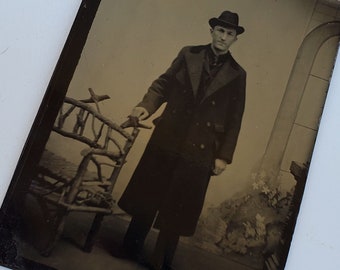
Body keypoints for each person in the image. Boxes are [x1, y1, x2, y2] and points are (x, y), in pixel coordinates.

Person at [116, 10, 246, 270]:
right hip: (169, 136)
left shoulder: (237, 73)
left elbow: (235, 118)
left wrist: (223, 156)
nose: (223, 37)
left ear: (234, 39)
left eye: (229, 33)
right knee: (149, 195)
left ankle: (160, 261)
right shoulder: (189, 54)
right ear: (212, 32)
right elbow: (162, 85)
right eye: (220, 31)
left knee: (178, 205)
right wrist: (146, 107)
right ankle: (129, 250)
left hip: (200, 149)